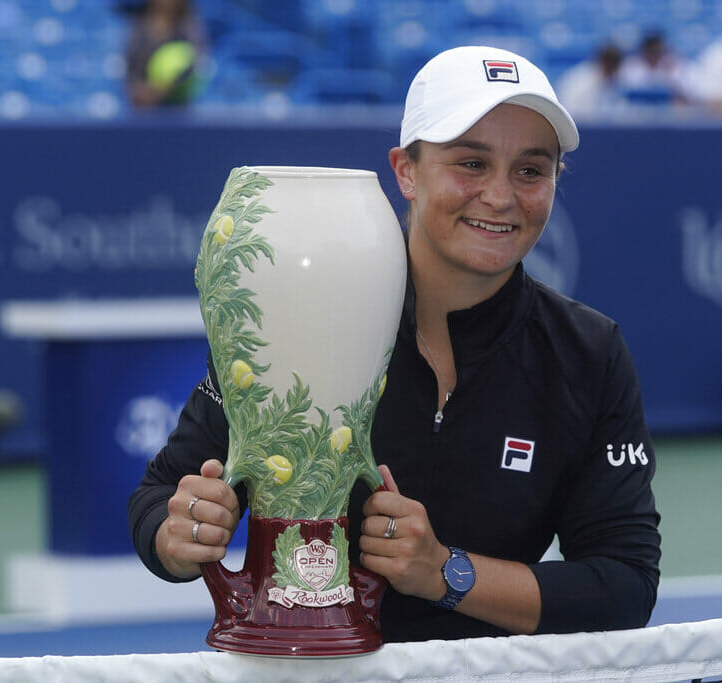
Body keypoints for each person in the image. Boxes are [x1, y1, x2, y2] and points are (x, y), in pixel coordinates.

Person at [129, 45, 661, 642]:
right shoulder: (296, 317)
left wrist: (446, 574)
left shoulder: (590, 352)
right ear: (405, 171)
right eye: (471, 163)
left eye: (531, 170)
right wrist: (180, 536)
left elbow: (624, 584)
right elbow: (157, 498)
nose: (502, 195)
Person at [123, 0, 209, 109]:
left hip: (180, 112)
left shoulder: (191, 28)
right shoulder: (137, 28)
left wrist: (164, 90)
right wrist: (142, 91)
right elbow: (130, 76)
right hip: (144, 113)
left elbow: (198, 67)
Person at [556, 42, 625, 118]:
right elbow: (568, 111)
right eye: (609, 67)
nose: (612, 73)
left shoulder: (617, 80)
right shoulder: (578, 80)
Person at [620, 30, 689, 105]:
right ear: (644, 49)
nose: (653, 53)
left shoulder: (672, 64)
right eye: (650, 49)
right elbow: (625, 91)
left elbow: (682, 92)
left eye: (656, 50)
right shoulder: (632, 65)